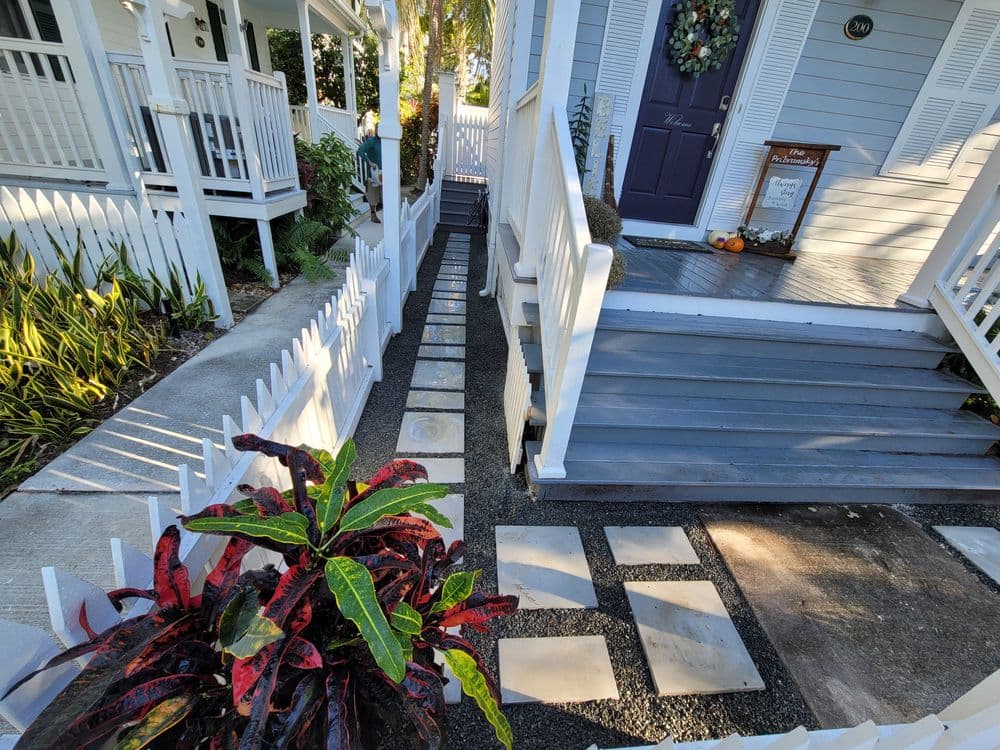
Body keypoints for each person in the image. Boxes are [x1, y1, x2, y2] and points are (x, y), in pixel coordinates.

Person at [357, 127, 382, 224]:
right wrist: (369, 162)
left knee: (384, 195)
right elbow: (360, 151)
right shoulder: (371, 141)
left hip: (384, 173)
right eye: (378, 129)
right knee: (373, 194)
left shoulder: (385, 141)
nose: (379, 130)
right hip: (374, 173)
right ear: (376, 130)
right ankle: (373, 215)